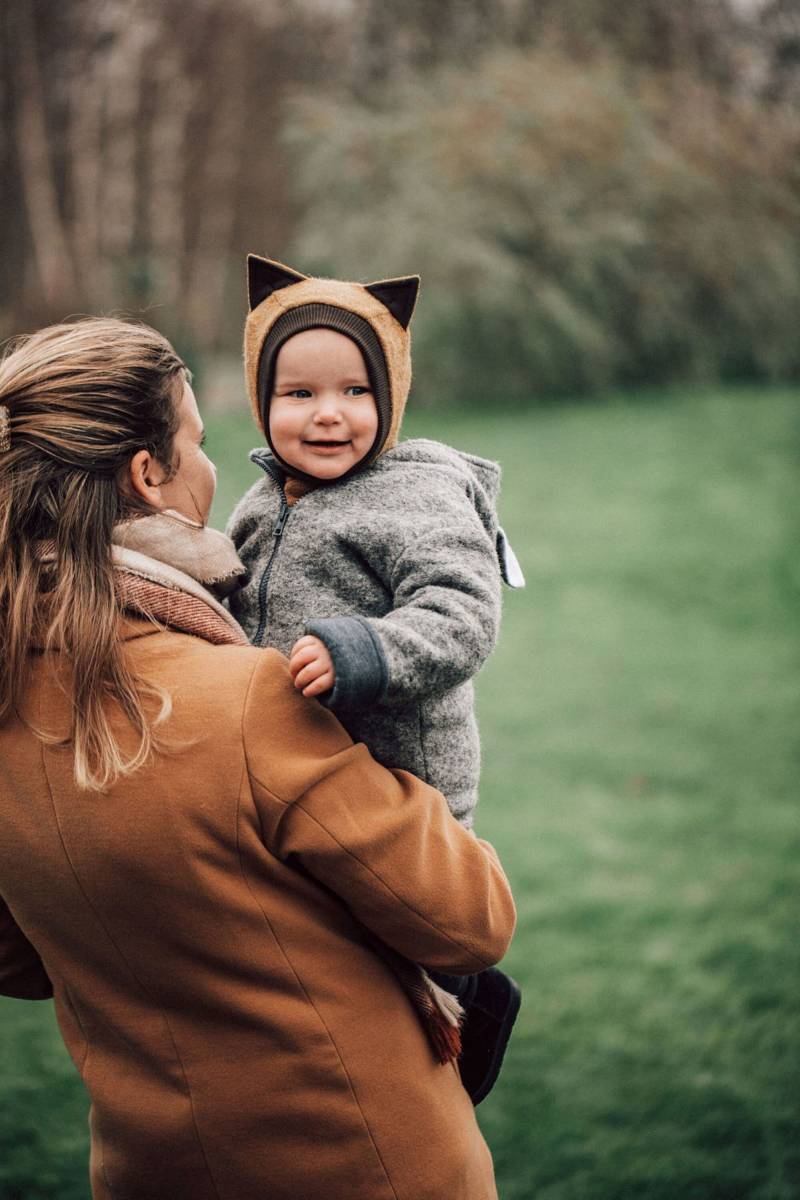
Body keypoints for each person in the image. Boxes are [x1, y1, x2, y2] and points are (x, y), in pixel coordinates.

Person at [0, 317, 516, 1200]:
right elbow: (468, 919)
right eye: (197, 443)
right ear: (147, 475)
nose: (213, 470)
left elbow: (17, 961)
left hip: (147, 1167)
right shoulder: (243, 700)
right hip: (361, 1163)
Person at [226, 255, 525, 1102]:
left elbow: (463, 613)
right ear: (263, 399)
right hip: (302, 774)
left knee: (407, 943)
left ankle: (468, 1005)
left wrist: (370, 652)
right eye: (300, 394)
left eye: (356, 392)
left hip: (404, 781)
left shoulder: (418, 495)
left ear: (390, 397)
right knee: (316, 953)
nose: (329, 415)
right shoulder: (260, 503)